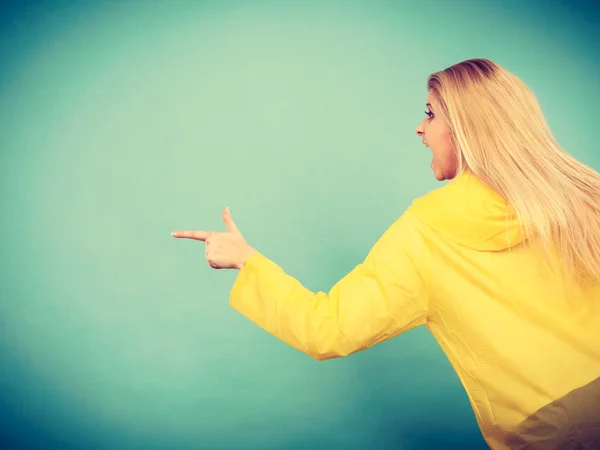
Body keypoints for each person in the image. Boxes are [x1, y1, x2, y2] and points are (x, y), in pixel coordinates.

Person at [171, 58, 600, 450]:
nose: (420, 127)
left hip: (549, 433)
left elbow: (328, 328)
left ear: (467, 127)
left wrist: (246, 260)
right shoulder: (578, 193)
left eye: (430, 114)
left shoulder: (427, 229)